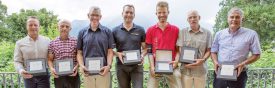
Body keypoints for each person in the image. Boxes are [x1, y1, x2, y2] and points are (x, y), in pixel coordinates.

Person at [211, 7, 261, 88]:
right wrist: (215, 62)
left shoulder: (251, 34)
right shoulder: (219, 34)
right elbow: (213, 51)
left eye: (237, 17)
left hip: (239, 73)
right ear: (228, 19)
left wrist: (243, 64)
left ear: (242, 19)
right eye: (232, 17)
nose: (234, 19)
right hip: (220, 72)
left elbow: (257, 54)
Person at [77, 6, 115, 88]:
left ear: (100, 17)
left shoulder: (108, 31)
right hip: (87, 73)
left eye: (97, 15)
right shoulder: (81, 32)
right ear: (88, 15)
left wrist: (108, 66)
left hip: (103, 72)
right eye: (92, 15)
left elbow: (110, 52)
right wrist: (81, 66)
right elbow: (79, 53)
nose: (94, 17)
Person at [146, 1, 181, 88]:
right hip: (156, 66)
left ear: (168, 12)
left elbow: (178, 50)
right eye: (159, 12)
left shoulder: (176, 30)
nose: (162, 15)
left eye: (164, 12)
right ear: (156, 13)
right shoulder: (150, 30)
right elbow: (149, 51)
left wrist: (176, 62)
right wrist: (152, 67)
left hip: (172, 65)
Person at [112, 4, 147, 88]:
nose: (129, 14)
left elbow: (145, 48)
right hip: (121, 66)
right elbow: (110, 50)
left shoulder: (140, 30)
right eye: (126, 12)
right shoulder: (115, 30)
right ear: (122, 13)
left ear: (134, 15)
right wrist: (118, 54)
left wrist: (142, 55)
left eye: (131, 13)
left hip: (137, 66)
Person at [176, 10, 212, 88]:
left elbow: (209, 50)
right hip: (185, 71)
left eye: (195, 17)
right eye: (190, 17)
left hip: (200, 71)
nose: (192, 19)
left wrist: (203, 60)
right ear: (187, 20)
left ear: (199, 18)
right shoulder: (182, 32)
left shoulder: (207, 33)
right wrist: (185, 61)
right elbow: (180, 48)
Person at [14, 16, 50, 88]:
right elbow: (17, 61)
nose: (33, 27)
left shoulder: (47, 41)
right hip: (28, 76)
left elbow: (51, 58)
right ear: (27, 27)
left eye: (35, 25)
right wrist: (21, 71)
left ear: (39, 26)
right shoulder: (19, 43)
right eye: (30, 25)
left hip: (44, 76)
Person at [48, 20, 80, 88]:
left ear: (70, 29)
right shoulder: (52, 43)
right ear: (58, 27)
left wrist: (77, 67)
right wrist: (51, 69)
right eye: (62, 26)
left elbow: (80, 56)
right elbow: (50, 59)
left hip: (73, 75)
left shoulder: (76, 41)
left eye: (67, 26)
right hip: (59, 76)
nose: (64, 28)